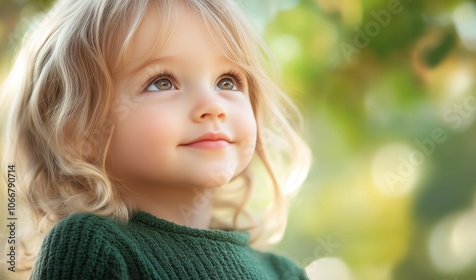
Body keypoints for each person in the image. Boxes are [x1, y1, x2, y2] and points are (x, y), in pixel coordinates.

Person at [1, 0, 311, 279]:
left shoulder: (284, 273)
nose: (213, 107)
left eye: (227, 81)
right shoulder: (92, 245)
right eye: (162, 82)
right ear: (80, 132)